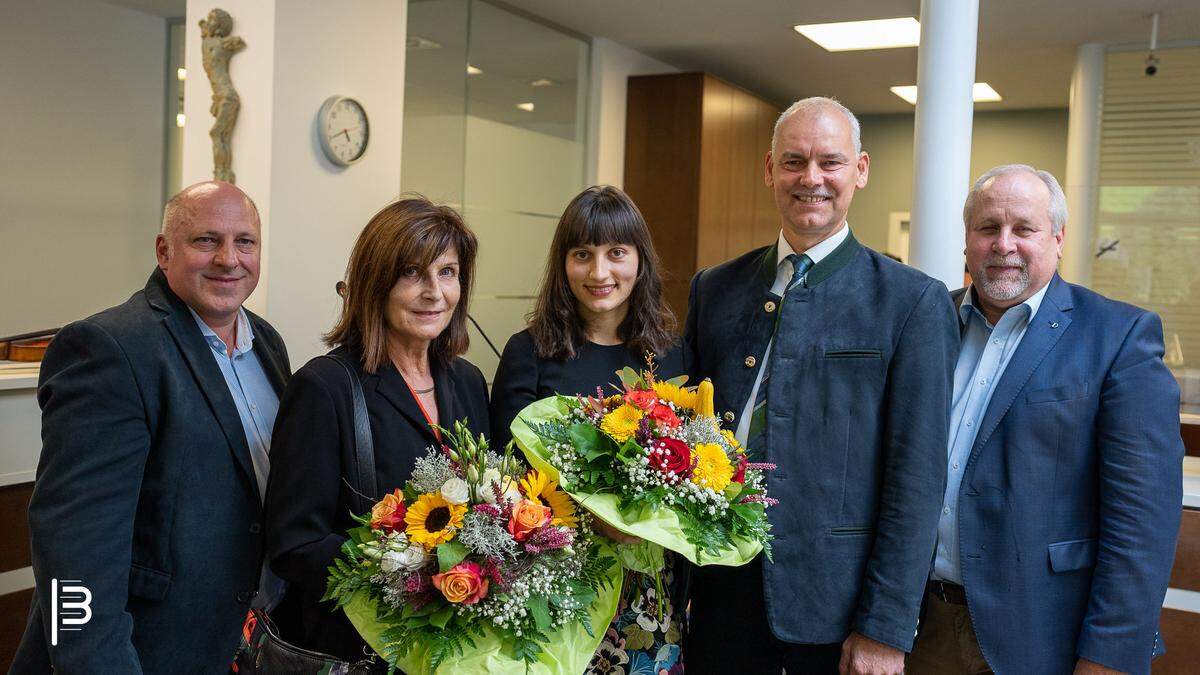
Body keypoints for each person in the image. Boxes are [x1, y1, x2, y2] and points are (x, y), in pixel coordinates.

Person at [683, 97, 957, 674]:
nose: (811, 179)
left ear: (859, 170)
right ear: (769, 170)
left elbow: (917, 481)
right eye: (794, 162)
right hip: (719, 599)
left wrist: (885, 627)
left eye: (829, 162)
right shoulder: (715, 288)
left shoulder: (911, 302)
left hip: (838, 609)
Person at [906, 165, 1183, 675]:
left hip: (1044, 635)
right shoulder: (925, 323)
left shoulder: (1119, 337)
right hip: (919, 628)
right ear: (967, 238)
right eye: (988, 228)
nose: (1003, 244)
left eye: (1024, 229)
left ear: (1057, 238)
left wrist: (1110, 655)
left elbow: (1142, 522)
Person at [12, 181, 291, 672]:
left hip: (240, 644)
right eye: (207, 240)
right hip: (145, 652)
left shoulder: (267, 343)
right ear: (164, 251)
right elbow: (71, 551)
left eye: (245, 242)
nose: (229, 258)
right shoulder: (109, 348)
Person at [265, 197, 489, 662]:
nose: (434, 292)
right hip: (356, 646)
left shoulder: (467, 382)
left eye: (447, 272)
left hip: (453, 648)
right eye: (412, 273)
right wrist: (412, 573)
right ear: (374, 285)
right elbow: (294, 543)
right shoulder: (324, 388)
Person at [490, 185, 688, 674]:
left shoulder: (667, 354)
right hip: (550, 584)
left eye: (616, 253)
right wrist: (584, 516)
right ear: (563, 264)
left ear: (640, 260)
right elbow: (505, 476)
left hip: (647, 597)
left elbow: (694, 473)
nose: (600, 273)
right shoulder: (528, 352)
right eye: (583, 255)